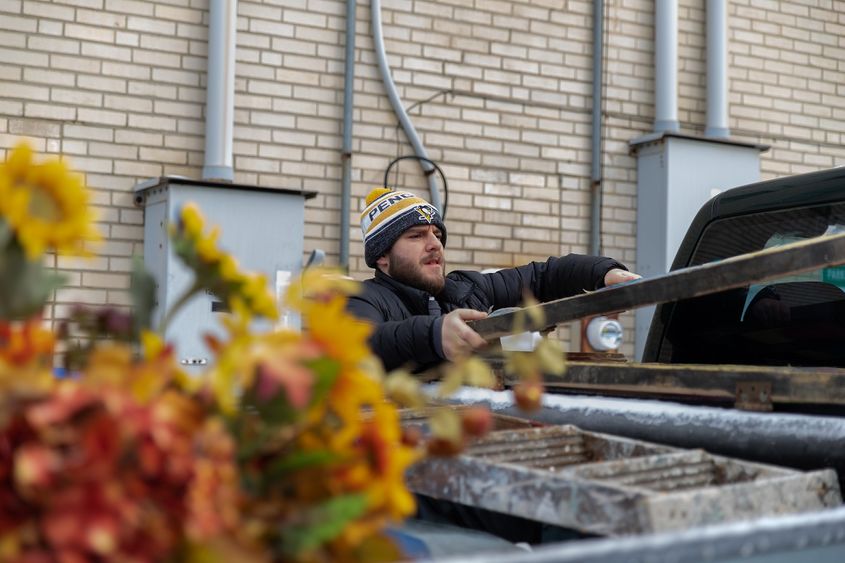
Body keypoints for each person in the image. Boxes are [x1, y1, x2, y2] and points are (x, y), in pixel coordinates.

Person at [348, 187, 640, 373]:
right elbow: (368, 343)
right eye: (416, 236)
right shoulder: (361, 299)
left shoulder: (467, 289)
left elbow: (542, 277)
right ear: (382, 256)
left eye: (437, 234)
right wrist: (434, 335)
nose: (434, 244)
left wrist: (603, 272)